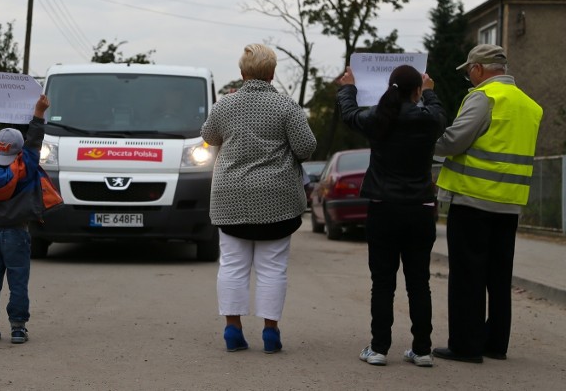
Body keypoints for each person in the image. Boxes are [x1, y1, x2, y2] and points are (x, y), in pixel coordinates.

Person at [201, 43, 316, 353]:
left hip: (230, 197)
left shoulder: (224, 106)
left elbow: (209, 137)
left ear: (242, 73)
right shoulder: (286, 106)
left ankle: (232, 330)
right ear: (272, 73)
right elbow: (306, 148)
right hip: (277, 199)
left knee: (233, 265)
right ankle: (270, 332)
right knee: (272, 267)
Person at [432, 44, 543, 363]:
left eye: (469, 70)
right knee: (498, 276)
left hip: (472, 199)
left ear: (479, 69)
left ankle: (465, 346)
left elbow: (454, 141)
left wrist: (425, 141)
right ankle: (496, 343)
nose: (469, 76)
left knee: (468, 275)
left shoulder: (484, 97)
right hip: (508, 205)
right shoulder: (529, 105)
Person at [337, 64, 447, 367]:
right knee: (419, 283)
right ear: (417, 91)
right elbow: (439, 114)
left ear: (390, 87)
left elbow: (349, 115)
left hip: (383, 209)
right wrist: (431, 93)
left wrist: (348, 87)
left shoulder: (378, 119)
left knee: (383, 283)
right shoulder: (428, 120)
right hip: (421, 210)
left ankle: (379, 348)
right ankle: (422, 349)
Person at [0, 93, 50, 344]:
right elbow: (34, 141)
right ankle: (17, 328)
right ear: (19, 149)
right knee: (18, 281)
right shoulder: (25, 166)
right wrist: (38, 113)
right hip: (17, 232)